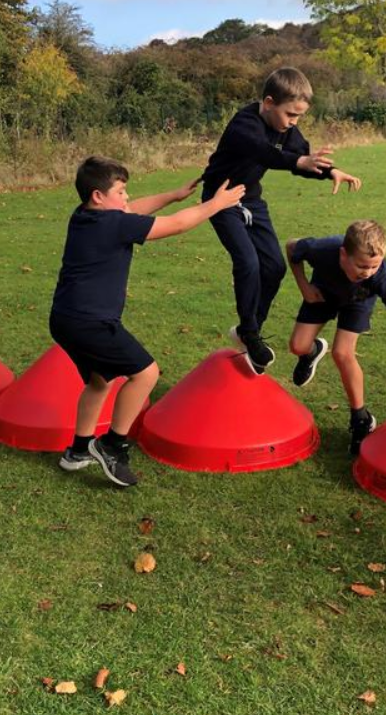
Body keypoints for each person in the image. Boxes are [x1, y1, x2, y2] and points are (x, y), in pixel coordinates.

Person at [50, 155, 245, 488]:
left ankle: (78, 451)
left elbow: (133, 210)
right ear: (98, 196)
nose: (127, 197)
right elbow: (177, 225)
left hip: (65, 318)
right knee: (146, 373)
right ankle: (112, 445)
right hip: (92, 322)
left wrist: (173, 195)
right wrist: (217, 203)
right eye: (121, 191)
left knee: (99, 381)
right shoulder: (114, 224)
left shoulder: (84, 215)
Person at [200, 66, 361, 374]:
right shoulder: (244, 124)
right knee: (248, 262)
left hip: (250, 198)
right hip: (220, 199)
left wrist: (330, 171)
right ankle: (250, 332)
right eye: (290, 114)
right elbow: (264, 153)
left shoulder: (285, 128)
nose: (294, 122)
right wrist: (298, 160)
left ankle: (250, 330)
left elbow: (302, 158)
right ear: (269, 102)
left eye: (299, 116)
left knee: (274, 266)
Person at [286, 220, 386, 455]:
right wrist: (304, 286)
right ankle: (312, 351)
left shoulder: (380, 278)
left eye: (374, 266)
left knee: (342, 353)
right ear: (343, 254)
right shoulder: (323, 249)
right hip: (322, 294)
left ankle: (360, 419)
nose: (368, 272)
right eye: (362, 266)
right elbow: (291, 247)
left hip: (357, 302)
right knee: (298, 346)